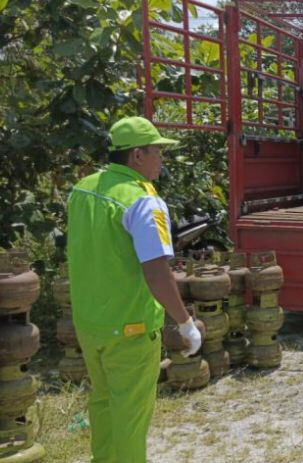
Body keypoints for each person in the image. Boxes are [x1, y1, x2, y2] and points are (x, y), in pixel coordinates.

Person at [67, 116, 202, 463]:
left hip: (90, 324)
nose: (162, 159)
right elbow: (157, 272)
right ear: (137, 156)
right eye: (158, 151)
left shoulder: (83, 189)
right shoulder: (143, 201)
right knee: (130, 415)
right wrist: (184, 322)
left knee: (103, 403)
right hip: (131, 327)